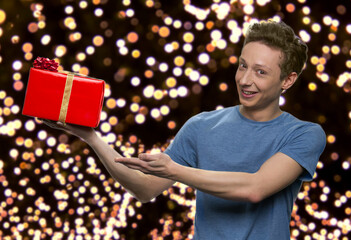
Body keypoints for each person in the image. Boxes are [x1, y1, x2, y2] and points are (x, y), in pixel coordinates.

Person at [43, 20, 326, 239]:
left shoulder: (304, 134)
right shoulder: (202, 126)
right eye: (242, 66)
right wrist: (91, 137)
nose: (245, 80)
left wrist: (175, 171)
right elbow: (145, 188)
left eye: (260, 72)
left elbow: (255, 187)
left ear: (287, 80)